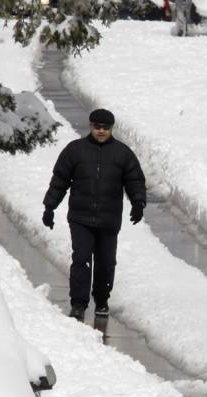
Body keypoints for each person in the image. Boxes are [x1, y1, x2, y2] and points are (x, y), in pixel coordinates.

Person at [42, 109, 146, 322]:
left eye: (105, 128)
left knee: (106, 262)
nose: (101, 131)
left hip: (109, 219)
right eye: (97, 127)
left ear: (111, 129)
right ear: (90, 126)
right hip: (81, 218)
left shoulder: (122, 153)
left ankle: (101, 300)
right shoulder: (75, 151)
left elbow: (135, 180)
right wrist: (49, 207)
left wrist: (138, 203)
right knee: (81, 259)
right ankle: (78, 304)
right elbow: (60, 180)